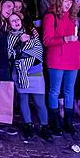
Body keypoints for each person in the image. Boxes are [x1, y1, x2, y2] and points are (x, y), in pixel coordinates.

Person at [42, 0, 80, 136]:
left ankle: (68, 122)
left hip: (72, 58)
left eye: (70, 2)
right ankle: (55, 122)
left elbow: (75, 38)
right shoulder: (50, 16)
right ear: (60, 1)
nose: (68, 4)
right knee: (54, 90)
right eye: (66, 1)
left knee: (69, 90)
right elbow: (47, 41)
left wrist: (79, 46)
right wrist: (65, 39)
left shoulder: (72, 18)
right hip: (57, 58)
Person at [6, 12, 51, 141]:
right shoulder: (9, 37)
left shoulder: (32, 32)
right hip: (20, 72)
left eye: (17, 19)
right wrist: (20, 44)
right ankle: (28, 125)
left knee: (39, 102)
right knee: (23, 99)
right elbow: (10, 54)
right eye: (12, 20)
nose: (16, 22)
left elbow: (38, 49)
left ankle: (44, 126)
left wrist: (24, 54)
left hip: (35, 70)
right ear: (9, 24)